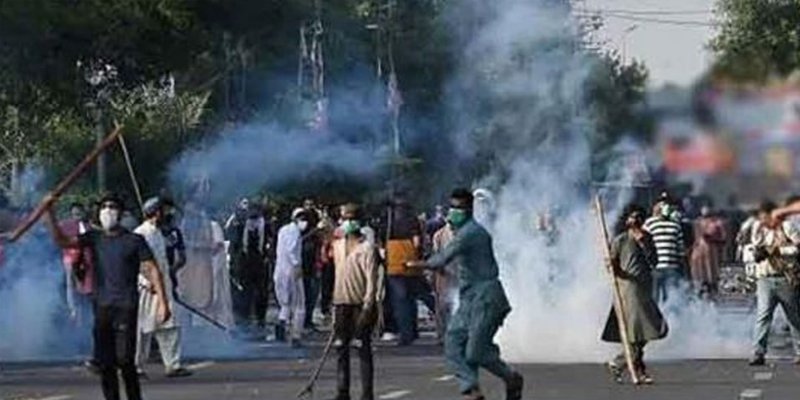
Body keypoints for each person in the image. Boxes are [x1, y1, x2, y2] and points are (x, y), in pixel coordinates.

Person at [45, 193, 171, 400]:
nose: (107, 211)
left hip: (126, 307)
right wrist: (49, 213)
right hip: (102, 308)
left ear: (120, 213)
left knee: (125, 361)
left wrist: (163, 304)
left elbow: (152, 269)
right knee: (106, 363)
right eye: (104, 207)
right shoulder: (94, 239)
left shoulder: (134, 240)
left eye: (112, 207)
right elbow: (63, 241)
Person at [407, 188, 523, 400]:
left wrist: (416, 264)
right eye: (451, 207)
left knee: (476, 351)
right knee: (453, 342)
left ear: (469, 210)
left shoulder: (472, 233)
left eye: (458, 208)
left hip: (487, 297)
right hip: (469, 297)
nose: (453, 212)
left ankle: (511, 377)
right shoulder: (460, 233)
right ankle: (472, 390)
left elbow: (443, 259)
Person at [601, 205, 668, 384]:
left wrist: (644, 244)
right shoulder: (620, 240)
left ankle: (620, 363)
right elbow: (613, 266)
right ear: (627, 220)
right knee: (638, 332)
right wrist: (610, 264)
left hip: (645, 288)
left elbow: (654, 261)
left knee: (649, 329)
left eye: (639, 217)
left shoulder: (647, 238)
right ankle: (637, 369)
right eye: (633, 217)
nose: (636, 220)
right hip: (629, 290)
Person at [134, 197, 192, 378]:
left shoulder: (159, 233)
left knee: (170, 325)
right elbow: (136, 264)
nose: (167, 214)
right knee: (141, 329)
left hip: (164, 286)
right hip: (146, 289)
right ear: (156, 212)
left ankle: (172, 365)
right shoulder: (140, 234)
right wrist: (147, 282)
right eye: (163, 210)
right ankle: (136, 367)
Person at [330, 203, 381, 400]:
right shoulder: (338, 246)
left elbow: (372, 280)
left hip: (361, 304)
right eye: (344, 218)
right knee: (340, 348)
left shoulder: (367, 248)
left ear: (358, 221)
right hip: (341, 302)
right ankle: (342, 392)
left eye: (351, 218)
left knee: (362, 348)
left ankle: (367, 394)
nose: (347, 222)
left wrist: (369, 306)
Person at [745, 201, 800, 366]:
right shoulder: (759, 229)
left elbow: (797, 247)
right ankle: (758, 352)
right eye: (761, 218)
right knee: (763, 316)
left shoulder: (787, 227)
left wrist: (778, 250)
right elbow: (754, 247)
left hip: (785, 278)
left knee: (794, 317)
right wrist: (760, 251)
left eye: (766, 218)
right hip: (765, 278)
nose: (764, 221)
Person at [385, 196, 436, 346]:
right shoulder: (413, 221)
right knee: (417, 297)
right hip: (411, 264)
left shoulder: (388, 222)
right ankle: (413, 331)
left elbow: (382, 247)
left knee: (401, 302)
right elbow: (417, 243)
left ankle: (407, 334)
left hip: (394, 265)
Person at [232, 204, 271, 335]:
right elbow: (236, 244)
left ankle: (261, 319)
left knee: (262, 292)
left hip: (261, 261)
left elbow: (270, 242)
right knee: (245, 292)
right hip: (245, 262)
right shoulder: (241, 225)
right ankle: (244, 318)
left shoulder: (266, 225)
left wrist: (267, 256)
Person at [275, 208, 309, 345]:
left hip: (280, 270)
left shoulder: (283, 230)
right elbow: (291, 250)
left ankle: (281, 325)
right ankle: (296, 336)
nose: (304, 222)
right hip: (292, 271)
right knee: (299, 304)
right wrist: (297, 265)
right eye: (302, 218)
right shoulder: (294, 232)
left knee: (285, 303)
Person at [643, 197, 686, 304]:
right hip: (656, 268)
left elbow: (681, 250)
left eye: (665, 205)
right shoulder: (649, 223)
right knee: (655, 298)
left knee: (672, 298)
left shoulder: (675, 225)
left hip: (672, 268)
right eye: (661, 205)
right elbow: (643, 242)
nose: (663, 207)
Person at [59, 202, 95, 326]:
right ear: (71, 213)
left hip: (86, 260)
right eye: (75, 212)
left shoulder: (88, 227)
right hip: (70, 259)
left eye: (79, 212)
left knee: (84, 284)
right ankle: (73, 310)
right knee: (71, 285)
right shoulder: (65, 225)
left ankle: (84, 308)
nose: (77, 215)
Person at [689, 205, 728, 297]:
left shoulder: (717, 223)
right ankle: (703, 292)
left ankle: (712, 292)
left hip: (712, 254)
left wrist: (712, 239)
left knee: (712, 277)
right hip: (700, 254)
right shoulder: (698, 223)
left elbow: (724, 239)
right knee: (701, 277)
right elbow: (695, 240)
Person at [431, 219, 458, 343]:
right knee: (443, 306)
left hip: (453, 273)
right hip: (445, 274)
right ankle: (443, 334)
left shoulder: (440, 234)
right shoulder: (439, 235)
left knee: (449, 305)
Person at [301, 198, 322, 331]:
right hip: (304, 263)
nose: (310, 207)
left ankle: (308, 319)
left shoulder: (315, 218)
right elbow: (299, 240)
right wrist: (314, 231)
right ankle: (304, 320)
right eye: (307, 204)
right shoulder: (302, 223)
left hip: (314, 262)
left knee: (313, 293)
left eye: (311, 204)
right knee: (305, 293)